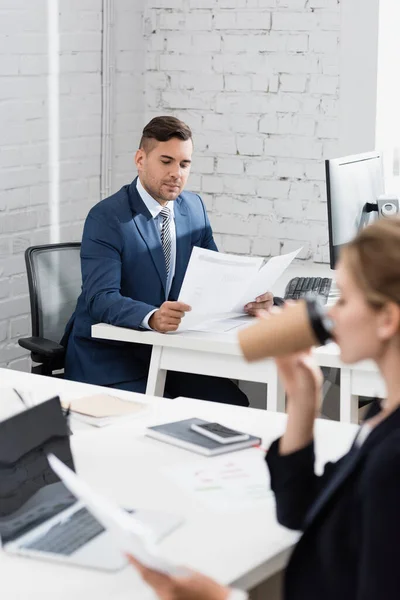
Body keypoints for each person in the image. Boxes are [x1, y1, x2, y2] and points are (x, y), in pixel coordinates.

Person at [127, 217, 400, 599]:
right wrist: (304, 397)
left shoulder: (393, 462)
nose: (332, 314)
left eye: (347, 300)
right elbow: (299, 510)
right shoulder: (383, 416)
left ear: (387, 319)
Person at [62, 116, 274, 404]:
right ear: (140, 159)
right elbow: (101, 298)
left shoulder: (193, 208)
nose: (177, 173)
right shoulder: (108, 217)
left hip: (171, 352)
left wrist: (250, 298)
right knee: (156, 415)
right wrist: (151, 317)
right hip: (113, 358)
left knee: (234, 405)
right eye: (166, 161)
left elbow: (216, 276)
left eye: (184, 164)